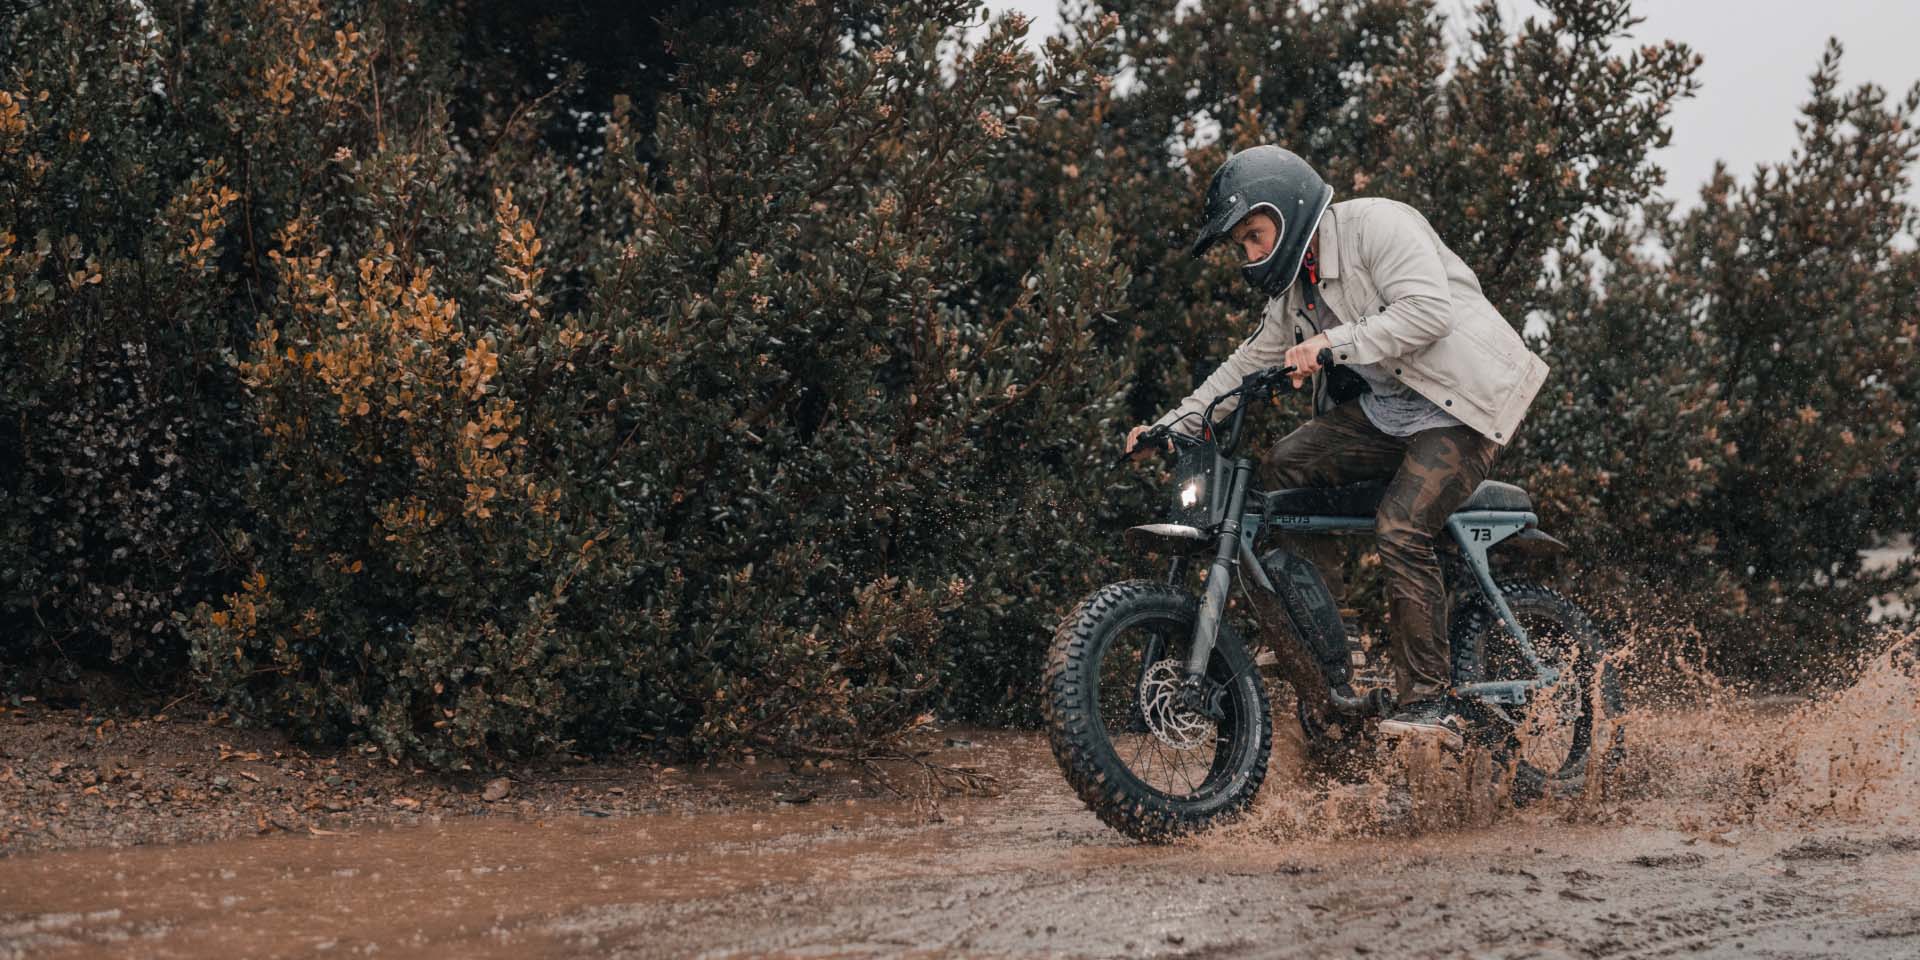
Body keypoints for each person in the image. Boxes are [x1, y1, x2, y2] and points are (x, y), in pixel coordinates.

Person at [1123, 145, 1549, 748]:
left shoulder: (1378, 225)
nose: (1248, 255)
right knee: (1285, 466)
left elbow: (1429, 312)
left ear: (1289, 209)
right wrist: (1172, 425)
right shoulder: (1295, 293)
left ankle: (1429, 698)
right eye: (1241, 245)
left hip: (1465, 407)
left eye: (1253, 235)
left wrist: (1330, 345)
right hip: (1388, 415)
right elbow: (1245, 365)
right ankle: (1331, 638)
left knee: (1400, 526)